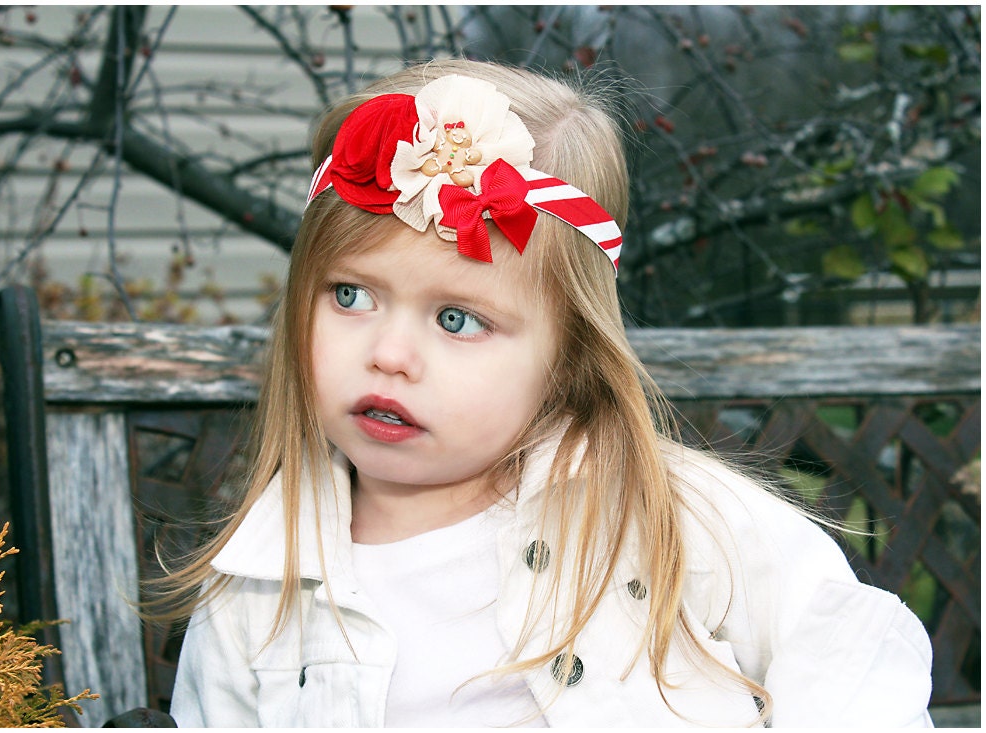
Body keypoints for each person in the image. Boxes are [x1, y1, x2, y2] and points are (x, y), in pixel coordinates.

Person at [160, 59, 933, 727]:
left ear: (566, 356)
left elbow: (852, 663)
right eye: (351, 296)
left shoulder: (677, 521)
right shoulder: (253, 594)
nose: (388, 354)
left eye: (457, 318)